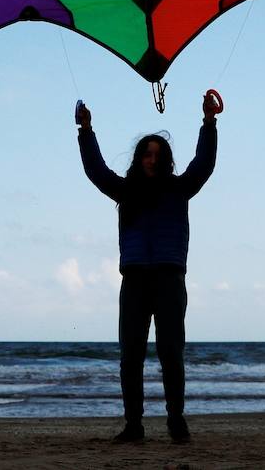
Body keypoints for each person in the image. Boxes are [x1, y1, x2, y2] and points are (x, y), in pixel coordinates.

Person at [76, 92, 220, 445]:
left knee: (171, 351)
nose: (152, 160)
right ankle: (134, 425)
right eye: (147, 154)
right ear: (139, 158)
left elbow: (203, 165)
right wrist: (86, 131)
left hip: (170, 277)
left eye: (158, 155)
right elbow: (96, 170)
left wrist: (209, 123)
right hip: (135, 278)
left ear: (165, 160)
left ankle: (175, 420)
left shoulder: (179, 189)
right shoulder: (125, 191)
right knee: (132, 356)